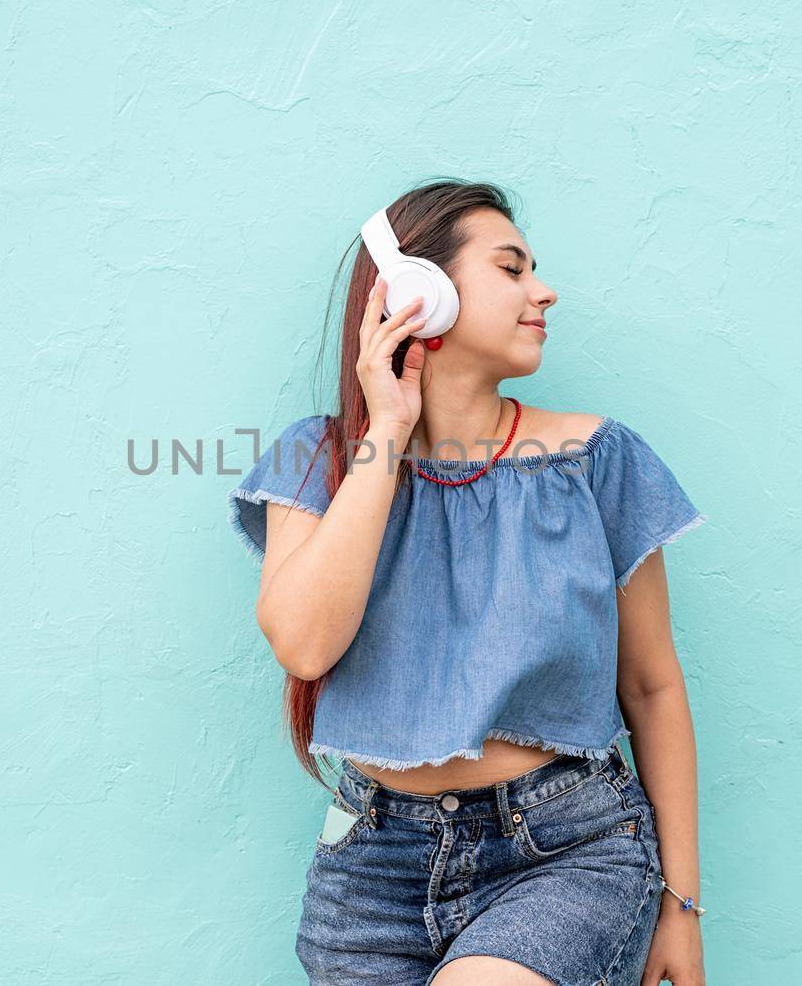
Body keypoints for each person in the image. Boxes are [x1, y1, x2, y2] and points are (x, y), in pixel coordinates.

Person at [225, 178, 710, 986]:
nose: (543, 291)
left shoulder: (593, 460)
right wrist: (386, 430)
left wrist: (680, 907)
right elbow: (305, 645)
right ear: (422, 294)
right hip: (370, 872)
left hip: (563, 851)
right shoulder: (322, 460)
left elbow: (653, 687)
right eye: (512, 269)